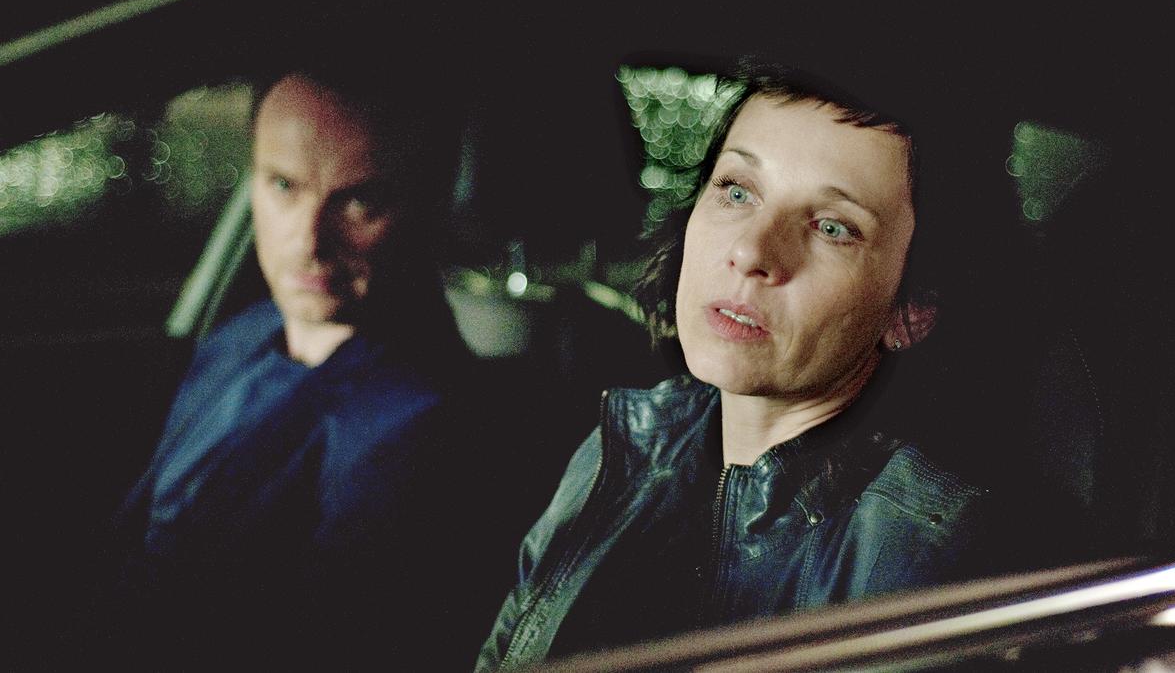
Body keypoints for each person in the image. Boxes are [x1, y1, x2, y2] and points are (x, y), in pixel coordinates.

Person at [475, 62, 1088, 670]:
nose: (751, 250)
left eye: (832, 227)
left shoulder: (931, 567)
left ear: (912, 310)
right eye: (737, 191)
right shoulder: (623, 446)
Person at [88, 60, 497, 668]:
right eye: (284, 185)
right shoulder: (245, 334)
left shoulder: (415, 430)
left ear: (427, 205)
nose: (309, 240)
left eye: (360, 200)